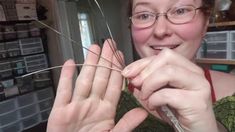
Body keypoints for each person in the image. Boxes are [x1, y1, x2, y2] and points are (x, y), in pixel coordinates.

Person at [47, 0, 235, 131]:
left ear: (205, 23)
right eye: (144, 15)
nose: (161, 30)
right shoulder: (103, 104)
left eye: (180, 10)